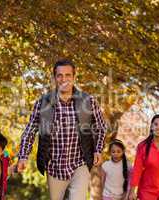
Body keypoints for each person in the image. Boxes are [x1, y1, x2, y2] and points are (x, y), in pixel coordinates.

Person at [17, 59, 107, 200]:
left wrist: (98, 149)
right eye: (59, 75)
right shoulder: (43, 103)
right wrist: (23, 156)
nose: (63, 79)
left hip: (80, 164)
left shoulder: (88, 101)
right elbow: (30, 130)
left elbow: (101, 126)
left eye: (68, 75)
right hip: (54, 167)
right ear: (54, 78)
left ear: (74, 77)